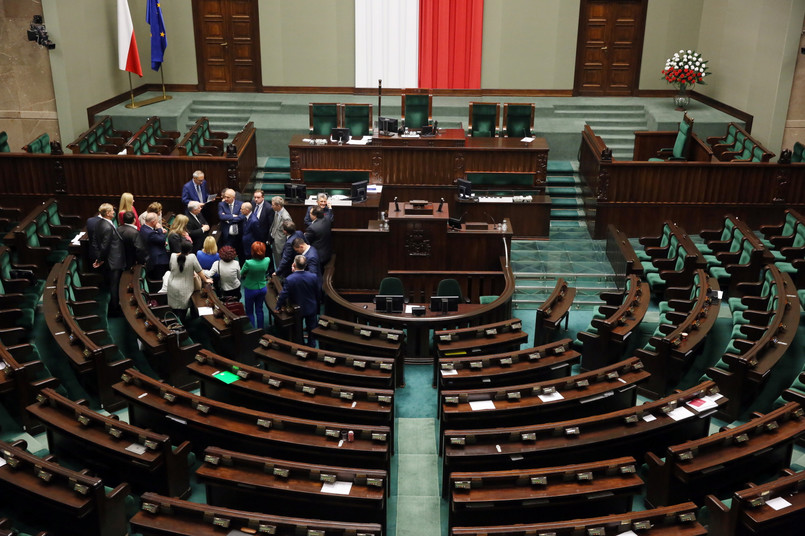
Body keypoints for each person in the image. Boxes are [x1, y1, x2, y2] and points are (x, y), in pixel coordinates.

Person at [275, 255, 320, 346]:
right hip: (311, 307)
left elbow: (283, 295)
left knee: (298, 330)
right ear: (306, 265)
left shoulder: (290, 279)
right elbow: (318, 292)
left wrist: (278, 306)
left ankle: (301, 346)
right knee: (312, 328)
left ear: (294, 265)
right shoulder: (313, 276)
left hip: (298, 309)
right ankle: (312, 346)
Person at [92, 203, 125, 316]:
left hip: (109, 259)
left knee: (112, 284)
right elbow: (105, 246)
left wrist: (99, 259)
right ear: (107, 213)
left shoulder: (99, 223)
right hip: (113, 260)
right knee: (114, 286)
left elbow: (95, 242)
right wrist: (100, 259)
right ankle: (115, 310)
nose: (113, 212)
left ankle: (114, 306)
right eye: (111, 211)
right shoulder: (107, 227)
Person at [167, 240, 211, 321]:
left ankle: (175, 322)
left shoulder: (172, 256)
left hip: (172, 285)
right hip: (185, 288)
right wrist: (206, 280)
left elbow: (172, 268)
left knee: (174, 309)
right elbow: (199, 271)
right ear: (190, 250)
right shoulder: (192, 257)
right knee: (183, 310)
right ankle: (182, 324)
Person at [240, 241, 270, 329]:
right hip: (262, 288)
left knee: (249, 312)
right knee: (259, 310)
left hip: (250, 288)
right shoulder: (267, 260)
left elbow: (242, 273)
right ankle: (261, 329)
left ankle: (253, 332)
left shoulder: (248, 263)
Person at [140, 211, 170, 280]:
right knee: (160, 279)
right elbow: (162, 240)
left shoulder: (144, 228)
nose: (158, 222)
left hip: (153, 256)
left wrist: (159, 232)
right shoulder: (150, 233)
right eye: (157, 220)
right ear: (153, 222)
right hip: (158, 260)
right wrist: (160, 230)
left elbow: (155, 240)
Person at [218, 188, 244, 259]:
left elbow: (241, 217)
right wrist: (233, 216)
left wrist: (228, 219)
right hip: (227, 233)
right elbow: (221, 217)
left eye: (228, 197)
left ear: (233, 197)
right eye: (225, 197)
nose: (225, 199)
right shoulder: (221, 204)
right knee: (227, 252)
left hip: (239, 232)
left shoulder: (240, 204)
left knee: (240, 252)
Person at [268, 195, 293, 266]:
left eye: (273, 205)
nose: (271, 206)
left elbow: (289, 232)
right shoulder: (277, 212)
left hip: (281, 242)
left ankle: (281, 275)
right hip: (275, 240)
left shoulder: (286, 217)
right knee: (277, 259)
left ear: (278, 205)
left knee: (281, 260)